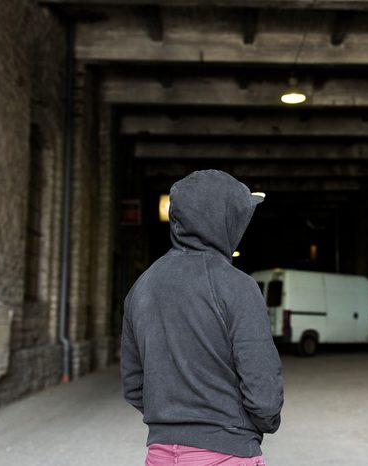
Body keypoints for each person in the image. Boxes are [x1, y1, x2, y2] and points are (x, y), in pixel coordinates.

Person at [121, 170, 283, 466]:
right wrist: (247, 423)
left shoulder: (141, 287)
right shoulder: (237, 286)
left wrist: (171, 417)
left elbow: (133, 384)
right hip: (227, 452)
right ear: (225, 219)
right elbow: (263, 391)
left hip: (160, 455)